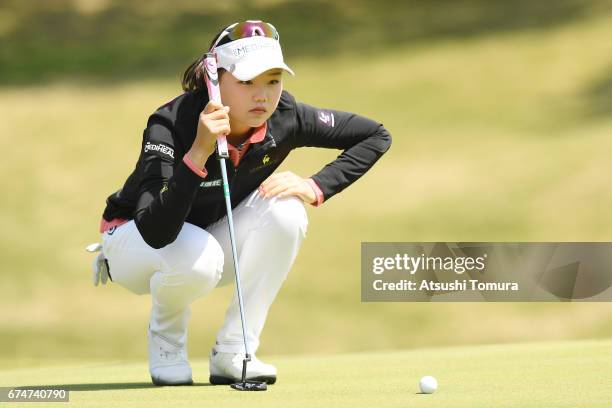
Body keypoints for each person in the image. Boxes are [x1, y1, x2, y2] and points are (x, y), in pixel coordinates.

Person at [90, 20, 391, 386]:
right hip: (133, 244)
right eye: (247, 82)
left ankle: (235, 352)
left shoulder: (285, 117)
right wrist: (198, 151)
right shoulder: (170, 124)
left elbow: (375, 135)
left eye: (273, 80)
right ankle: (167, 343)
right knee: (192, 252)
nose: (262, 96)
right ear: (214, 80)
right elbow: (156, 231)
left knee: (286, 211)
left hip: (207, 245)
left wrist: (316, 185)